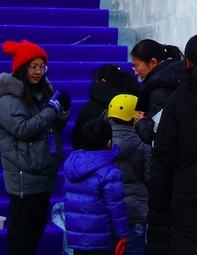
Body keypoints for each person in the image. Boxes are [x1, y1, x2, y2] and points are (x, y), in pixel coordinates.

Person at [149, 34, 197, 254]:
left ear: (187, 62)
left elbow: (163, 157)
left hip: (184, 196)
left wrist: (158, 204)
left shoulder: (177, 100)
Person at [0, 40, 70, 255]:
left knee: (36, 231)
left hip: (42, 171)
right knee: (22, 234)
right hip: (24, 174)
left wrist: (62, 111)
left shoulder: (40, 91)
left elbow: (52, 125)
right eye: (33, 67)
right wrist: (51, 110)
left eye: (42, 66)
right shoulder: (9, 98)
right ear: (22, 68)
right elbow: (22, 129)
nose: (38, 71)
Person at [63, 118, 129, 255]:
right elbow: (116, 207)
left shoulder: (72, 166)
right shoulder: (110, 172)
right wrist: (123, 233)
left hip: (77, 237)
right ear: (109, 143)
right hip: (101, 240)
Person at [108, 94, 151, 255]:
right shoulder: (143, 143)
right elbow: (150, 177)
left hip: (109, 207)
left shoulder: (103, 142)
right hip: (137, 210)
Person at [71, 64, 141, 151]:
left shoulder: (90, 108)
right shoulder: (139, 104)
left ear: (102, 81)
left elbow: (77, 141)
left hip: (95, 160)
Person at [130, 39, 184, 145]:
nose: (135, 73)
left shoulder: (159, 90)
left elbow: (157, 133)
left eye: (136, 66)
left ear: (153, 62)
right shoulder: (176, 76)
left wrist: (141, 122)